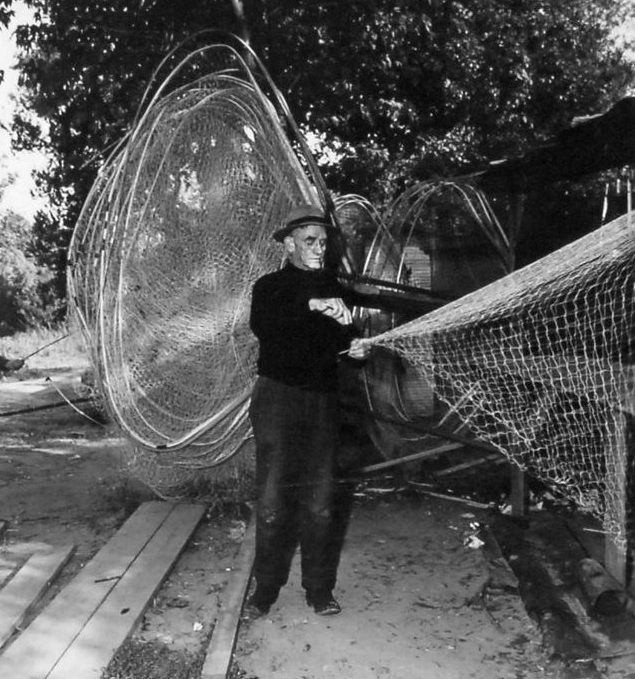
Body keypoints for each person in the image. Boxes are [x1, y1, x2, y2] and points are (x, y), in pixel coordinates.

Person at [248, 202, 370, 616]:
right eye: (310, 241)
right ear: (288, 245)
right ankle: (265, 589)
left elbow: (349, 351)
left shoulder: (336, 289)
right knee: (271, 501)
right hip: (278, 399)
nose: (320, 248)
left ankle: (318, 589)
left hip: (322, 401)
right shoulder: (269, 288)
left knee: (320, 502)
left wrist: (357, 349)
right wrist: (312, 306)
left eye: (323, 241)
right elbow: (267, 327)